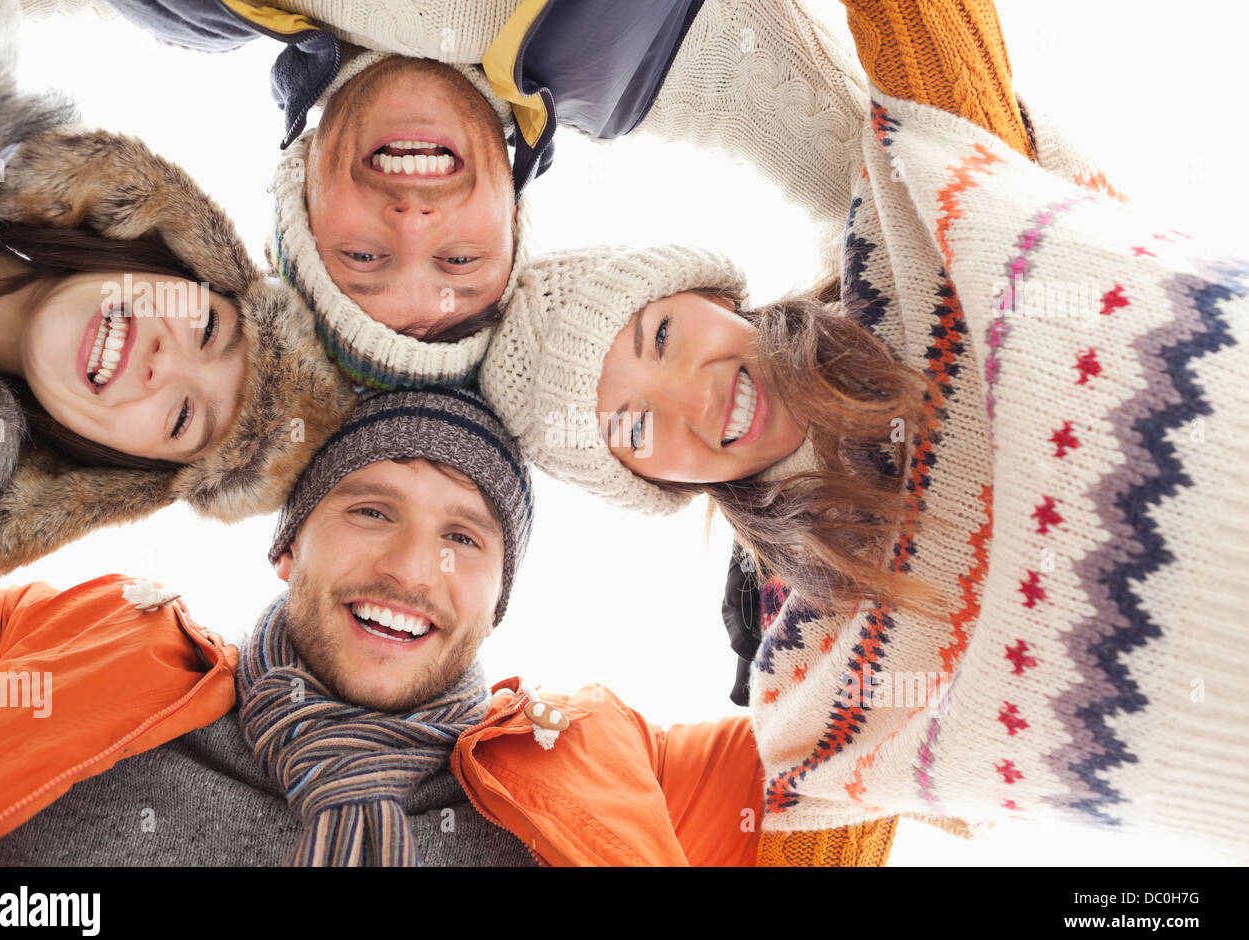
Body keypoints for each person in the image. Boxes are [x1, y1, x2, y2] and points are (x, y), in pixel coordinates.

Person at [474, 10, 1249, 858]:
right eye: (635, 427)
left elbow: (919, 28)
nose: (694, 399)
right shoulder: (818, 667)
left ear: (710, 295)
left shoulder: (917, 230)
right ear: (653, 483)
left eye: (660, 336)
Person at [0, 389, 807, 867]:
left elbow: (899, 709)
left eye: (464, 537)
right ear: (287, 548)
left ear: (497, 597)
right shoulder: (61, 648)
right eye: (370, 510)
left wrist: (788, 552)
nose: (410, 568)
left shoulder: (610, 768)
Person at [28, 0, 875, 394]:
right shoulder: (645, 66)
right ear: (513, 214)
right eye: (460, 263)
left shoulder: (189, 8)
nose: (411, 222)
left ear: (301, 192)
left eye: (361, 259)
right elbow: (907, 182)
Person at [0, 1, 357, 576]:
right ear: (178, 266)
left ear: (119, 470)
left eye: (182, 418)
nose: (164, 362)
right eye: (209, 329)